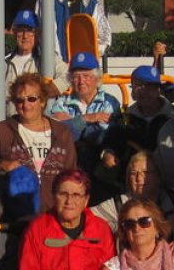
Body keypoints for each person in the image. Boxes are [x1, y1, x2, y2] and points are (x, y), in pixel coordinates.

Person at [0, 72, 77, 221]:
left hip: (55, 217)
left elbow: (72, 174)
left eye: (32, 99)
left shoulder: (62, 132)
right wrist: (1, 164)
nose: (25, 105)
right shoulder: (2, 131)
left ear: (43, 101)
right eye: (20, 100)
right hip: (15, 220)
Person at [102, 65, 174, 212]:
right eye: (139, 86)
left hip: (170, 191)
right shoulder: (124, 119)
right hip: (135, 190)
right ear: (132, 89)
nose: (144, 91)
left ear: (159, 89)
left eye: (150, 86)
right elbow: (111, 145)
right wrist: (108, 153)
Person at [47, 51, 121, 179]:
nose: (81, 81)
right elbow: (54, 135)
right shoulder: (61, 102)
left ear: (97, 78)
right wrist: (86, 119)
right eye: (76, 76)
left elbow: (101, 136)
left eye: (86, 76)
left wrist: (71, 124)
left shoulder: (109, 102)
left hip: (98, 164)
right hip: (68, 164)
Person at [2, 10, 68, 115]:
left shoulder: (46, 58)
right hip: (10, 125)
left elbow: (68, 75)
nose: (25, 36)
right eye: (20, 30)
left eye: (29, 30)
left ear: (37, 33)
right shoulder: (5, 61)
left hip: (36, 126)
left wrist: (44, 91)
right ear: (14, 33)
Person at [89, 150, 162, 232]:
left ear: (158, 176)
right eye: (133, 173)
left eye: (145, 172)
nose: (139, 178)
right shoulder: (120, 203)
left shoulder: (172, 200)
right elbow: (85, 219)